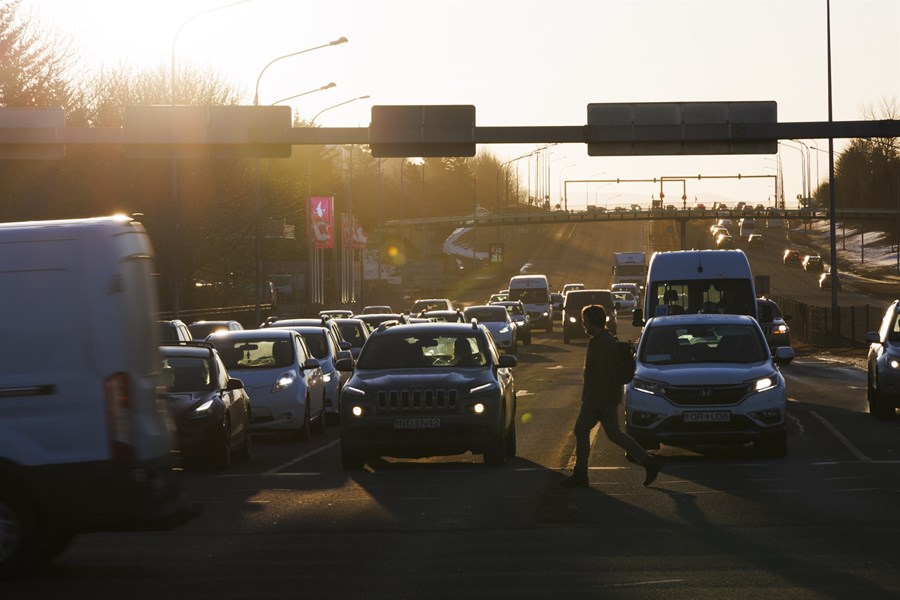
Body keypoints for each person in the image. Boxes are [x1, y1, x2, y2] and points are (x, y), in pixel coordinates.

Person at [560, 304, 661, 488]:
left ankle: (581, 473)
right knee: (615, 434)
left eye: (585, 321)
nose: (584, 325)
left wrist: (598, 403)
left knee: (582, 430)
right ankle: (648, 461)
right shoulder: (602, 340)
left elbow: (604, 375)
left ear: (592, 322)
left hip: (599, 398)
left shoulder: (604, 343)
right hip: (603, 397)